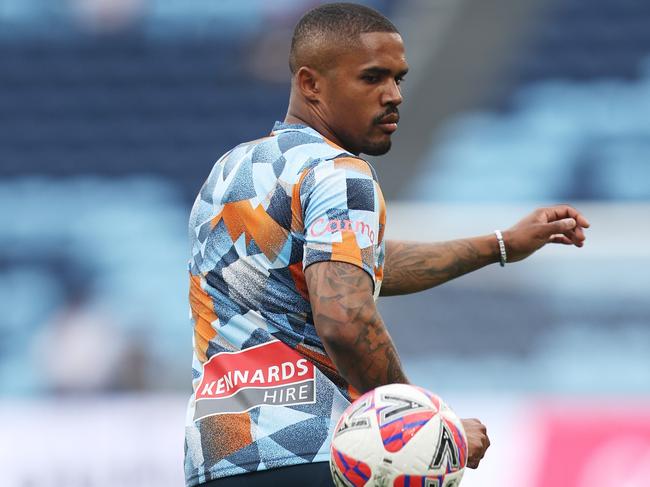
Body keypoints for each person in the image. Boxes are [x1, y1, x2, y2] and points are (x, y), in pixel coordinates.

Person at [184, 3, 590, 487]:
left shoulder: (231, 171)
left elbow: (348, 266)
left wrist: (500, 244)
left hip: (219, 458)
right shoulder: (340, 174)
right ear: (311, 83)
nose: (394, 96)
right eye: (373, 78)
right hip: (322, 454)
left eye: (398, 78)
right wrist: (426, 428)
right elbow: (345, 316)